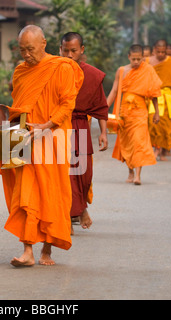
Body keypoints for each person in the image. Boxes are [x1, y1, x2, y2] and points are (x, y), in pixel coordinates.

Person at [0, 25, 84, 267]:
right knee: (25, 193)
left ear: (44, 43)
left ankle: (47, 250)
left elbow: (67, 104)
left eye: (30, 49)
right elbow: (18, 104)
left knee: (50, 193)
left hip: (53, 136)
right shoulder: (20, 71)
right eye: (22, 50)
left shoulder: (61, 68)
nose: (26, 54)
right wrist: (2, 132)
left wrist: (46, 125)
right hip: (24, 136)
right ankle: (27, 250)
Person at [59, 32, 108, 233]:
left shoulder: (92, 75)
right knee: (65, 173)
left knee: (83, 174)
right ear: (60, 49)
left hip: (80, 125)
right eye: (65, 50)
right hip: (60, 127)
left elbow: (100, 106)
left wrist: (103, 133)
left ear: (82, 50)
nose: (69, 55)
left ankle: (80, 209)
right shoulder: (54, 70)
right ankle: (69, 215)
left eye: (73, 50)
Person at [106, 44, 162, 185]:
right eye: (134, 59)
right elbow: (114, 91)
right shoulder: (122, 71)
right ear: (129, 57)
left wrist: (156, 112)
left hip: (140, 111)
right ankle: (130, 171)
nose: (136, 62)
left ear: (143, 58)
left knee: (139, 142)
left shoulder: (148, 70)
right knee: (127, 143)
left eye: (139, 59)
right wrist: (103, 108)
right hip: (125, 111)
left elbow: (154, 92)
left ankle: (138, 175)